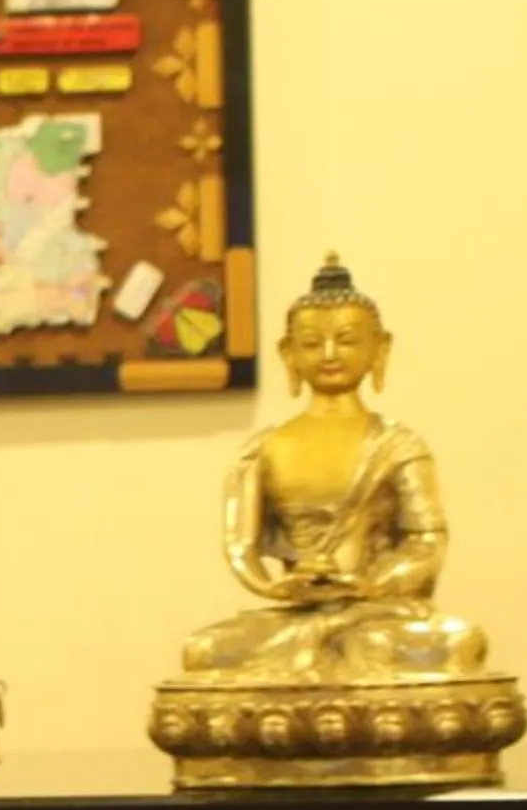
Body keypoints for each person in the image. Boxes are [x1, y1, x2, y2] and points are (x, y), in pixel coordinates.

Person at [176, 257, 489, 682]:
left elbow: (427, 541)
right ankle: (320, 655)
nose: (328, 355)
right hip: (296, 614)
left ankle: (328, 657)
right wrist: (278, 587)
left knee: (454, 644)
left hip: (377, 611)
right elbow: (240, 548)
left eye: (345, 340)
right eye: (310, 343)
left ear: (379, 348)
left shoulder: (399, 446)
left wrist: (367, 585)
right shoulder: (263, 448)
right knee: (204, 651)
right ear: (288, 353)